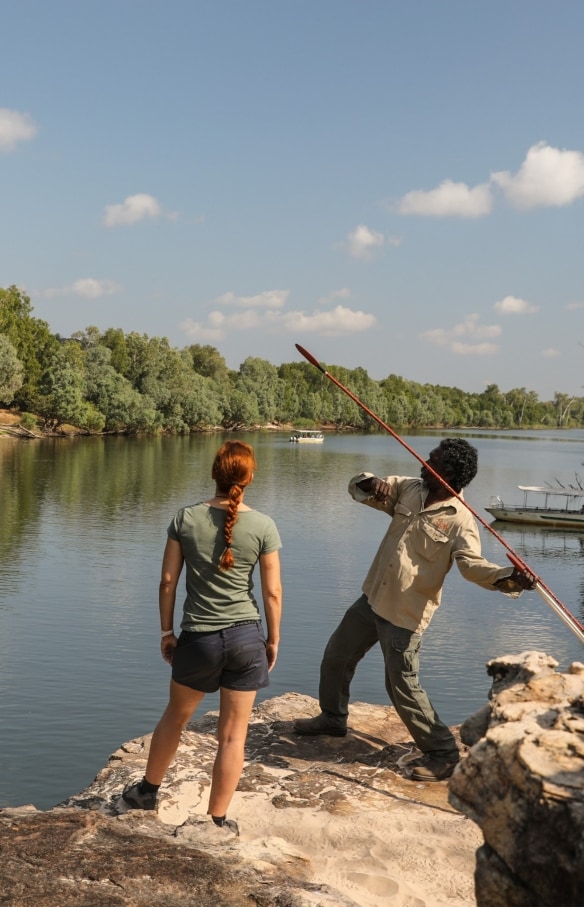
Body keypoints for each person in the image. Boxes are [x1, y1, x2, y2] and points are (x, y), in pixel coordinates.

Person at [294, 438, 535, 782]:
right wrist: (368, 482)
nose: (423, 461)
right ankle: (333, 719)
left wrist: (509, 577)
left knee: (402, 686)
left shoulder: (461, 520)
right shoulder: (409, 488)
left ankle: (443, 752)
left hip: (406, 614)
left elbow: (471, 567)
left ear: (448, 472)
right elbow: (360, 487)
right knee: (336, 655)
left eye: (432, 459)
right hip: (373, 598)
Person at [122, 440, 282, 832]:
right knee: (232, 735)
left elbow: (166, 582)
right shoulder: (263, 525)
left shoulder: (185, 518)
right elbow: (272, 592)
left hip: (199, 639)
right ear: (250, 477)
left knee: (176, 717)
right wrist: (272, 640)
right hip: (247, 640)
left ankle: (146, 791)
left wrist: (166, 631)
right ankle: (217, 821)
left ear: (214, 472)